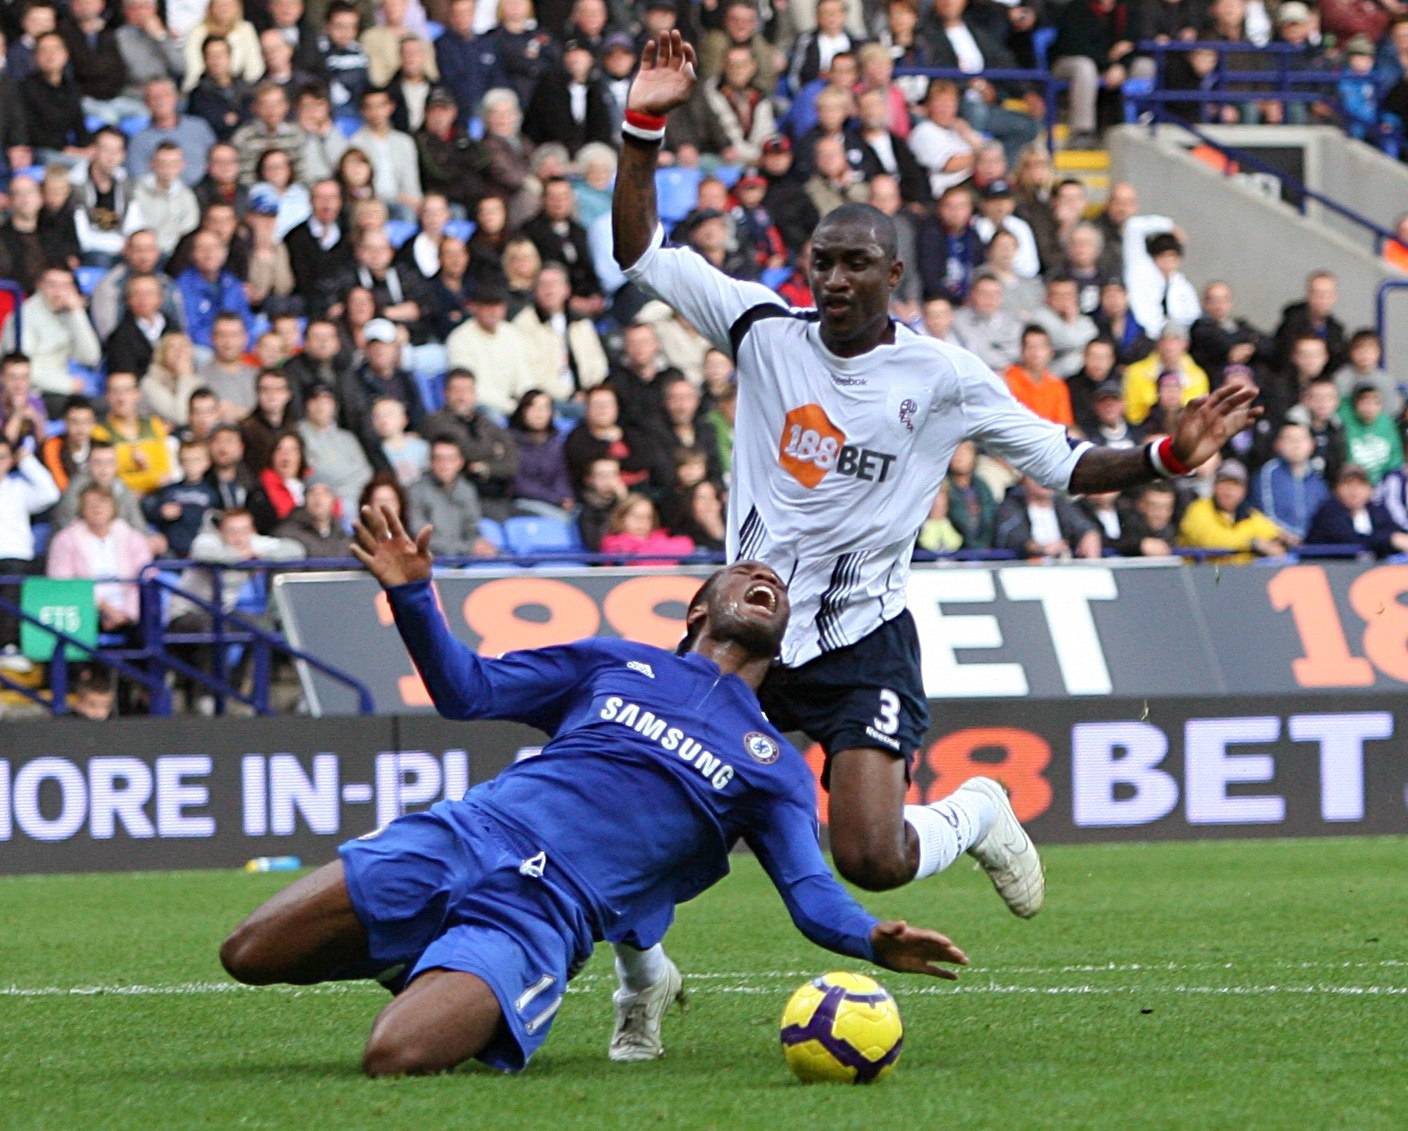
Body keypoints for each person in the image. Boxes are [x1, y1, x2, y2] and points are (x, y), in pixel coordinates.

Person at [604, 29, 1260, 1062]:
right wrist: (643, 126)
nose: (832, 279)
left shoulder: (943, 379)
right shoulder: (762, 330)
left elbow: (1063, 463)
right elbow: (638, 249)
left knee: (868, 859)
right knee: (645, 826)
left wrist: (1167, 458)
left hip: (863, 634)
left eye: (854, 264)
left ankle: (979, 812)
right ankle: (642, 984)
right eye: (821, 261)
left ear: (893, 273)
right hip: (743, 635)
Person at [221, 518, 971, 1075]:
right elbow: (466, 690)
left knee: (393, 1056)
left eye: (774, 585)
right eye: (744, 572)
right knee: (248, 953)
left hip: (541, 910)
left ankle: (467, 974)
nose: (763, 577)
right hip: (463, 832)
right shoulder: (615, 662)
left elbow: (810, 895)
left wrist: (870, 937)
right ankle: (430, 954)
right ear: (698, 610)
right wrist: (415, 597)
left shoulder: (771, 765)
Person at [47, 482, 154, 634]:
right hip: (85, 611)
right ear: (81, 509)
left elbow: (147, 576)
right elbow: (62, 583)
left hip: (130, 611)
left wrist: (127, 614)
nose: (97, 508)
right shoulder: (65, 540)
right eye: (90, 503)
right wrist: (105, 609)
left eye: (103, 502)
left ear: (113, 507)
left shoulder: (133, 538)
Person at [0, 436, 63, 664]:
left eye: (3, 457)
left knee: (13, 579)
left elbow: (50, 493)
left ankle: (8, 645)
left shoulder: (19, 487)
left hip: (15, 558)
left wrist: (27, 461)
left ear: (11, 460)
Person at [1177, 458, 1291, 562]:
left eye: (1235, 485)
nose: (1229, 490)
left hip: (1238, 580)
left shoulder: (1247, 514)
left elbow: (1269, 531)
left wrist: (1281, 539)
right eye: (1224, 483)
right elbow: (1212, 542)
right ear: (1214, 486)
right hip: (1200, 579)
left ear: (1244, 491)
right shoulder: (1198, 509)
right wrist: (1253, 543)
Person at [1306, 463, 1408, 558]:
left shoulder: (1375, 510)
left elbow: (1394, 530)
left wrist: (1398, 538)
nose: (1354, 491)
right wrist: (1391, 540)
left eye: (1360, 485)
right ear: (1336, 489)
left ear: (1370, 490)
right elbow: (1350, 540)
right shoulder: (1328, 511)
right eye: (1347, 484)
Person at [1250, 421, 1330, 541]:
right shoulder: (1267, 474)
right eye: (1289, 439)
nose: (1296, 444)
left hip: (1314, 548)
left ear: (1312, 445)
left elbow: (1324, 515)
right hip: (1277, 546)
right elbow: (1265, 515)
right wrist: (1290, 537)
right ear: (1277, 444)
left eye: (1301, 439)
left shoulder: (1317, 478)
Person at [140, 437, 218, 556]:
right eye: (186, 460)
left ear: (207, 462)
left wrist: (184, 511)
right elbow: (150, 511)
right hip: (171, 549)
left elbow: (217, 515)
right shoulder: (169, 490)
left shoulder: (213, 490)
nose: (191, 465)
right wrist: (161, 512)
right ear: (180, 462)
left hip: (203, 549)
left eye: (196, 460)